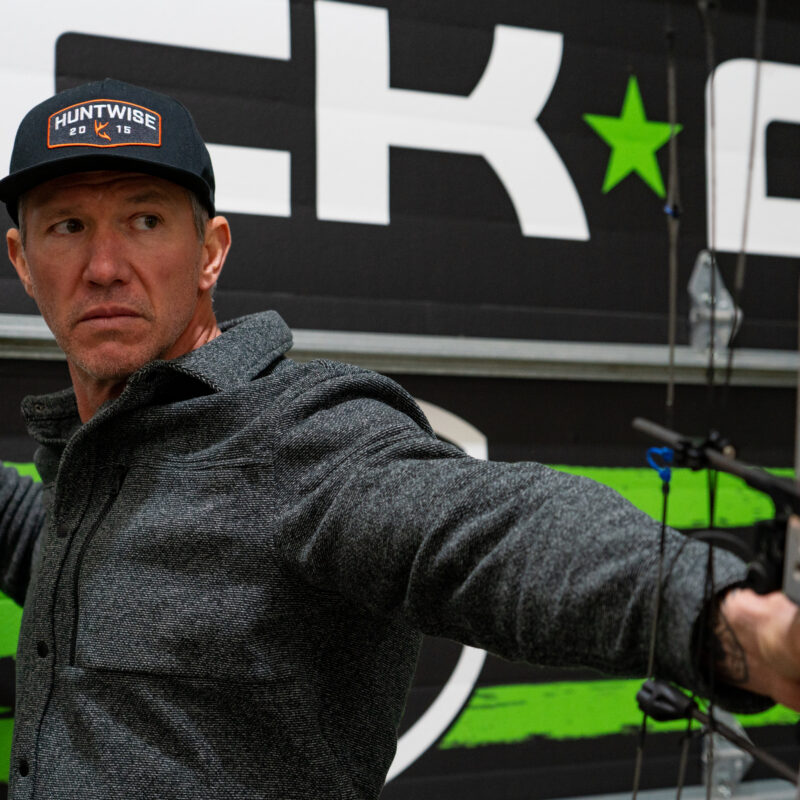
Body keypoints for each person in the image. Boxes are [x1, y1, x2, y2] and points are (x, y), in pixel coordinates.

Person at [0, 78, 798, 799]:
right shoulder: (95, 469)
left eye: (144, 220)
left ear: (209, 253)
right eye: (67, 226)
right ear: (23, 262)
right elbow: (56, 555)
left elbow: (489, 529)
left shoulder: (304, 435)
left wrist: (739, 625)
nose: (104, 265)